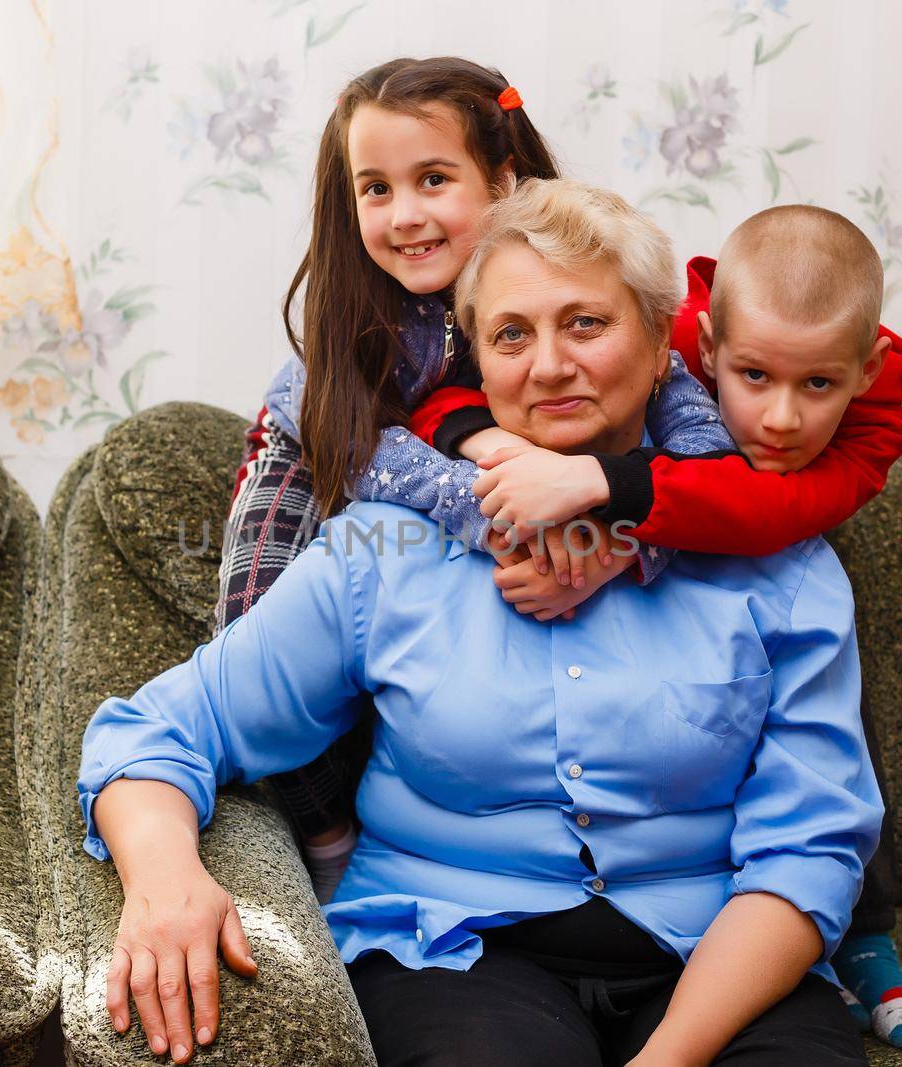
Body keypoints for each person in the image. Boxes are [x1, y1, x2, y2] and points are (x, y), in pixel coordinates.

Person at [80, 178, 880, 1066]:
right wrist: (164, 879)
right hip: (450, 946)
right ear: (480, 363)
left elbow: (808, 852)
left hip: (718, 952)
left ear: (664, 348)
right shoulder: (384, 553)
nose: (547, 365)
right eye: (511, 334)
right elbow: (156, 732)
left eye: (585, 323)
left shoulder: (782, 565)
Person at [423, 204, 902, 1049]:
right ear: (704, 350)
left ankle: (867, 936)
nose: (780, 419)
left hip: (764, 539)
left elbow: (767, 514)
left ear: (866, 370)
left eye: (816, 384)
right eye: (754, 378)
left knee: (838, 729)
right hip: (477, 946)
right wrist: (501, 453)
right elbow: (448, 395)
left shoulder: (868, 436)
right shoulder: (656, 348)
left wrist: (617, 532)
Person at [214, 55, 731, 903]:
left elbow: (703, 465)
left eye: (433, 179)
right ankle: (327, 831)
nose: (404, 214)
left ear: (505, 179)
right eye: (375, 188)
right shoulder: (359, 322)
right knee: (255, 623)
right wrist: (486, 488)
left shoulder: (581, 291)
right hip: (321, 448)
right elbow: (367, 450)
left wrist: (616, 537)